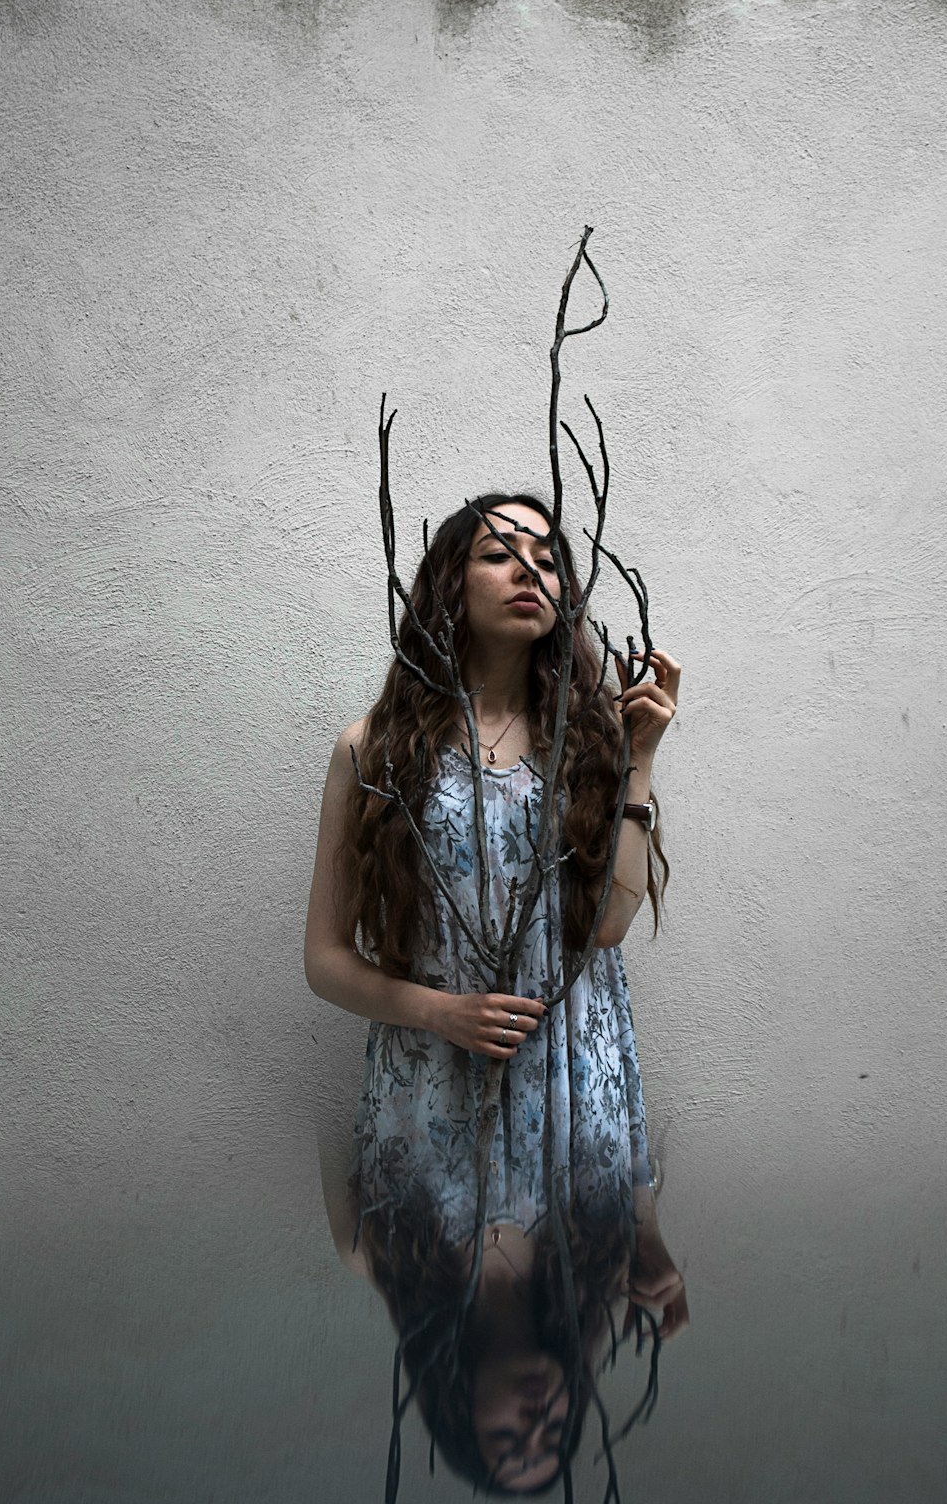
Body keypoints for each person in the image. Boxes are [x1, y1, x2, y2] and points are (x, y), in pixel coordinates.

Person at [305, 493, 686, 1494]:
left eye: (548, 557)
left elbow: (604, 928)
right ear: (447, 581)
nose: (530, 570)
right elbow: (323, 959)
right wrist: (442, 1010)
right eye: (499, 552)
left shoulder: (588, 744)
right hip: (433, 1098)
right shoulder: (374, 749)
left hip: (575, 1089)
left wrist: (640, 754)